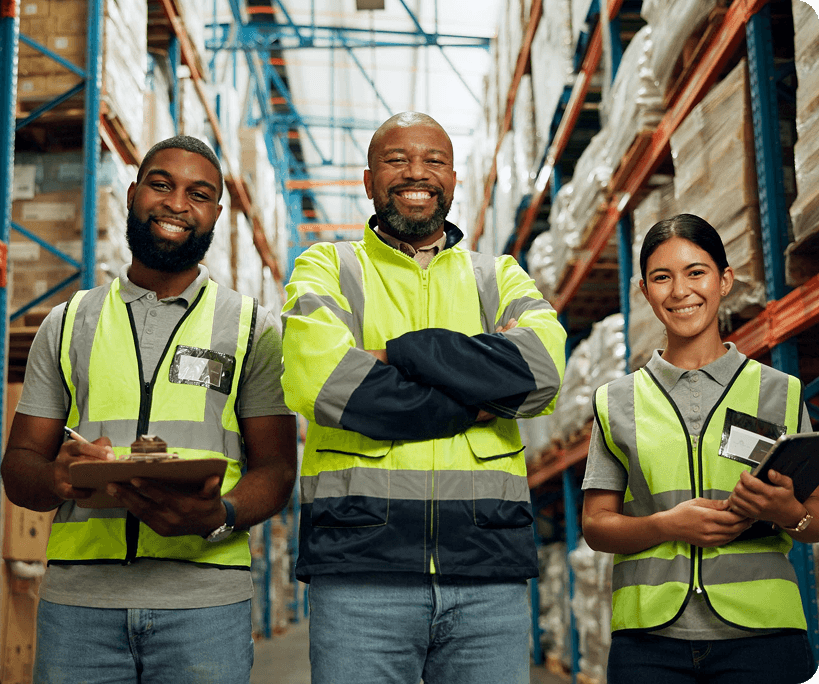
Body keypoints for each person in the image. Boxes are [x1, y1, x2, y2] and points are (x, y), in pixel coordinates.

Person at [280, 111, 567, 683]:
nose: (417, 173)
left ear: (453, 180)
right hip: (360, 571)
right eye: (397, 160)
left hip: (487, 570)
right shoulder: (328, 267)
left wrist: (397, 353)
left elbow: (540, 372)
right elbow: (324, 383)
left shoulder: (498, 275)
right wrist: (477, 395)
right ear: (368, 181)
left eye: (434, 161)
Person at [1, 135, 297, 684]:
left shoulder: (253, 329)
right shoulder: (66, 324)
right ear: (132, 194)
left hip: (205, 604)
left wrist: (221, 514)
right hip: (79, 607)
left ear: (216, 214)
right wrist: (57, 477)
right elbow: (19, 467)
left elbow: (278, 469)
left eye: (198, 194)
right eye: (161, 185)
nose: (177, 204)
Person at [581, 213, 818, 684]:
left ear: (724, 280)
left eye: (696, 272)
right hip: (649, 642)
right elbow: (596, 525)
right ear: (644, 291)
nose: (680, 291)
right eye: (661, 278)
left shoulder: (780, 392)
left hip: (763, 635)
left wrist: (789, 512)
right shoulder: (616, 401)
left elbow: (814, 518)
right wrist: (666, 525)